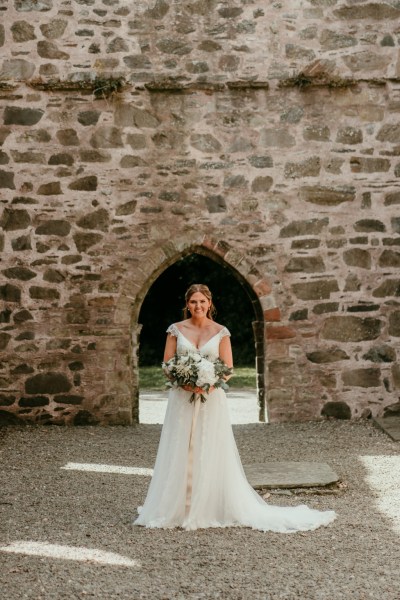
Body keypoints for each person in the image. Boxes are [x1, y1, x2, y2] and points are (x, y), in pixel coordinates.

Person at [134, 284, 336, 532]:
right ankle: (175, 505)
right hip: (181, 399)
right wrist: (185, 383)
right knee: (179, 446)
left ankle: (206, 505)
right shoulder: (176, 330)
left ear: (210, 303)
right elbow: (167, 364)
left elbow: (227, 369)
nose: (198, 306)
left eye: (202, 302)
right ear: (187, 304)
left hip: (211, 399)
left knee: (208, 446)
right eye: (193, 302)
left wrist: (206, 384)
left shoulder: (221, 332)